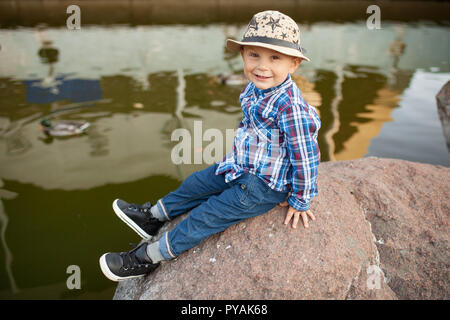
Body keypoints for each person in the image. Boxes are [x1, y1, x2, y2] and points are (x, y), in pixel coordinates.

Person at [99, 10, 321, 282]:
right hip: (241, 165)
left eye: (275, 58)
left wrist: (300, 198)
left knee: (206, 215)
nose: (262, 66)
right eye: (254, 55)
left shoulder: (290, 108)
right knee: (196, 183)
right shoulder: (254, 88)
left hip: (263, 186)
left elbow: (305, 156)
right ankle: (153, 216)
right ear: (243, 56)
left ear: (294, 64)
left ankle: (148, 257)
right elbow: (252, 130)